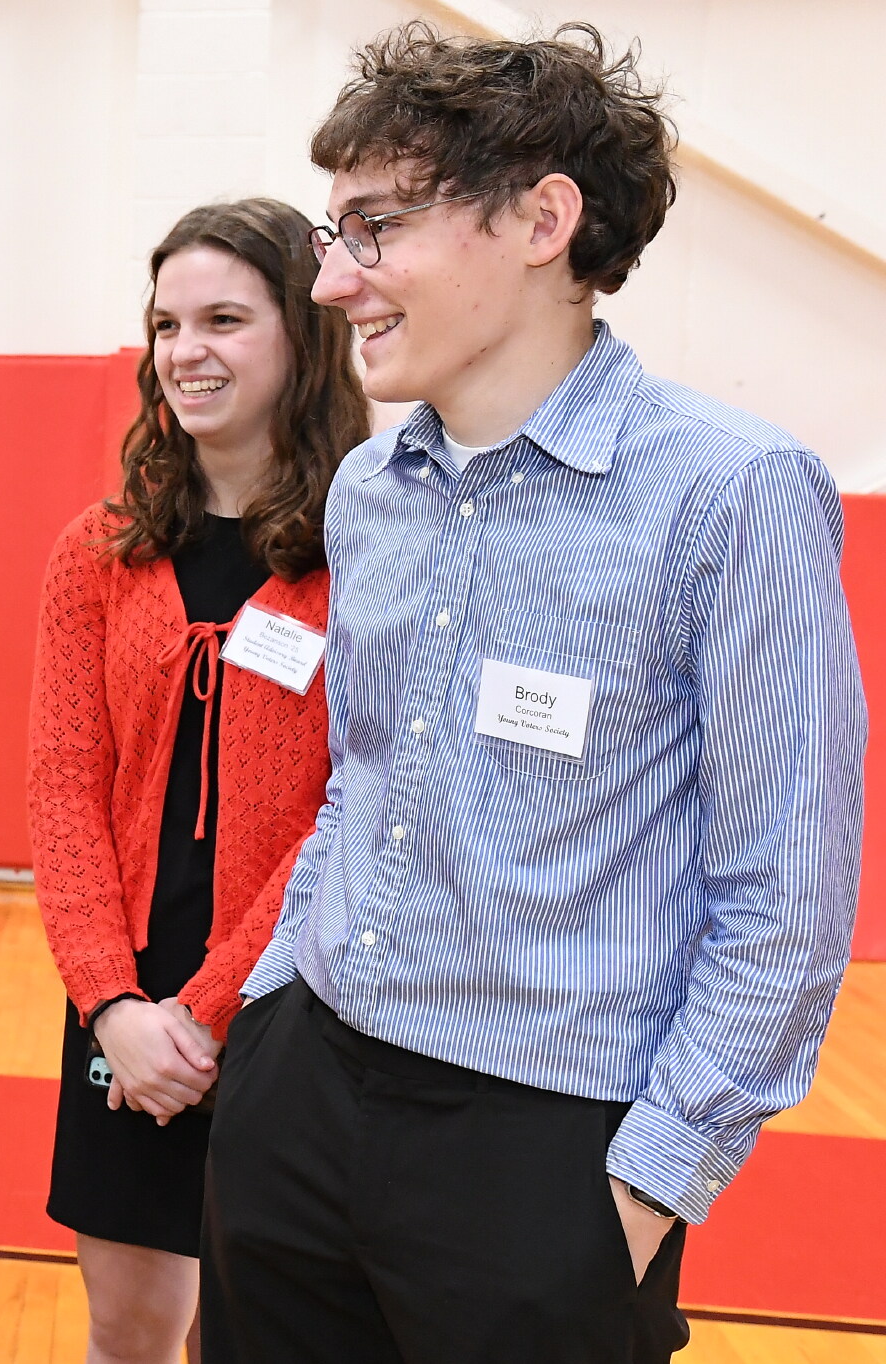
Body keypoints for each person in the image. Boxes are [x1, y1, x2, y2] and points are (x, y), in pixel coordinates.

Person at [203, 24, 867, 1364]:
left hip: (543, 1156)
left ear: (541, 222)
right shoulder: (368, 491)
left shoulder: (730, 494)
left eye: (375, 226)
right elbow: (355, 786)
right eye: (334, 233)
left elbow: (784, 900)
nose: (332, 278)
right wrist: (269, 1023)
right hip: (300, 1099)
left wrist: (643, 1191)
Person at [27, 199, 369, 1364]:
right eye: (166, 324)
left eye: (223, 318)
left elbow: (347, 811)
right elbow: (61, 791)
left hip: (290, 1006)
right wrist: (112, 1005)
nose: (185, 350)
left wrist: (207, 1010)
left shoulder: (367, 549)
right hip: (121, 1004)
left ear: (302, 336)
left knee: (264, 1334)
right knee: (125, 1331)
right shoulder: (98, 551)